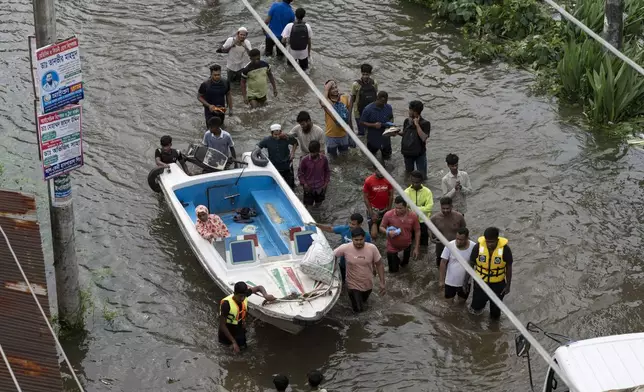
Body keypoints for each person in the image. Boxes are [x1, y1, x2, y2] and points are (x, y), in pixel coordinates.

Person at [333, 228, 386, 313]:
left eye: (361, 240)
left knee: (364, 302)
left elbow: (379, 264)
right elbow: (332, 255)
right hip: (352, 284)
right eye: (356, 240)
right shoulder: (345, 247)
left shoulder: (372, 248)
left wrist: (382, 282)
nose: (358, 242)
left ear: (364, 238)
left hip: (367, 284)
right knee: (359, 311)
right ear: (352, 239)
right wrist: (334, 269)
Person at [309, 213, 372, 283]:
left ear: (360, 225)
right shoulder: (344, 229)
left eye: (353, 224)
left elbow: (369, 252)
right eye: (350, 223)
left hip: (357, 266)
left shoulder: (366, 236)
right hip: (343, 264)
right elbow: (330, 229)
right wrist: (317, 225)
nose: (350, 226)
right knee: (342, 282)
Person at [467, 227, 513, 319]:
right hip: (480, 282)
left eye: (492, 242)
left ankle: (494, 330)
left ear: (497, 239)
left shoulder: (505, 250)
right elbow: (471, 264)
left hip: (498, 284)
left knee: (495, 312)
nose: (489, 244)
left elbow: (509, 267)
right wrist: (467, 281)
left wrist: (508, 285)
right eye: (487, 241)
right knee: (475, 310)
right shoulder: (478, 247)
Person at [219, 282, 277, 352]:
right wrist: (233, 342)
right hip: (228, 329)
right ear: (234, 293)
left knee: (243, 349)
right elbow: (222, 325)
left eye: (244, 296)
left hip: (238, 327)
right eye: (240, 296)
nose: (242, 298)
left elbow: (259, 287)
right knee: (227, 351)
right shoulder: (226, 304)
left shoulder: (245, 294)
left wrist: (266, 296)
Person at [380, 196, 420, 272]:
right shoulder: (388, 215)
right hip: (392, 246)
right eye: (396, 208)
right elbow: (381, 227)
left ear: (406, 206)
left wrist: (416, 247)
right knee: (393, 271)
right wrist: (388, 232)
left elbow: (417, 231)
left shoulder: (413, 216)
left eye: (400, 208)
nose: (397, 210)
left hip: (407, 245)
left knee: (405, 267)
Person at [439, 227, 475, 302]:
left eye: (461, 240)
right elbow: (443, 262)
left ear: (467, 238)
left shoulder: (474, 247)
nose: (458, 241)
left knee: (461, 304)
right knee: (448, 304)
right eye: (457, 238)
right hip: (450, 281)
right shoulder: (450, 245)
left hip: (465, 283)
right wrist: (441, 280)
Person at [430, 197, 466, 268]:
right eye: (443, 208)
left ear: (451, 206)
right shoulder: (435, 218)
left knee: (456, 267)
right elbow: (429, 227)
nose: (445, 210)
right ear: (440, 207)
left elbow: (464, 230)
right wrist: (431, 238)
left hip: (455, 247)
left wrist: (464, 243)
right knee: (440, 266)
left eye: (447, 208)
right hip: (441, 248)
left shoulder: (459, 216)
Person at [257, 124, 297, 188]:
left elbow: (295, 143)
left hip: (287, 165)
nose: (277, 136)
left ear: (281, 132)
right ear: (271, 133)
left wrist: (292, 153)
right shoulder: (267, 140)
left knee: (291, 186)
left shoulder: (286, 138)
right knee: (276, 186)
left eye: (279, 134)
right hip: (275, 167)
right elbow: (258, 146)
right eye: (275, 135)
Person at [398, 100, 431, 177]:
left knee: (422, 176)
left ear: (415, 112)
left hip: (419, 154)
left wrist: (417, 125)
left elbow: (423, 138)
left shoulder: (425, 123)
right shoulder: (407, 121)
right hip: (407, 153)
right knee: (409, 174)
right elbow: (405, 134)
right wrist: (396, 132)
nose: (409, 112)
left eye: (410, 110)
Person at [321, 80, 352, 156]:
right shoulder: (326, 101)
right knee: (332, 158)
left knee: (345, 156)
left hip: (343, 134)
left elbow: (349, 117)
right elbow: (322, 103)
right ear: (328, 90)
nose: (335, 90)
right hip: (331, 135)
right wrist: (326, 89)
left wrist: (351, 132)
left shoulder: (344, 98)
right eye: (332, 88)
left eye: (336, 87)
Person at [360, 91, 394, 160]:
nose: (383, 104)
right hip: (373, 138)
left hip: (386, 139)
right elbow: (362, 122)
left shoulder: (389, 107)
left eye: (385, 102)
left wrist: (392, 128)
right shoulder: (368, 109)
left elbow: (391, 119)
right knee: (372, 158)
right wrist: (373, 125)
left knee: (387, 159)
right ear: (377, 99)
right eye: (381, 102)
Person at [363, 163, 394, 239]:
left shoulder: (388, 179)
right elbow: (365, 198)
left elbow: (391, 195)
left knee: (384, 231)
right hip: (373, 209)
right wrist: (371, 212)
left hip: (385, 208)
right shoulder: (368, 181)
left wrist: (389, 209)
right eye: (379, 171)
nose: (381, 173)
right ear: (374, 170)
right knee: (373, 235)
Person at [403, 170, 433, 246]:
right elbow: (404, 208)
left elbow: (429, 207)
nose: (415, 184)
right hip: (410, 221)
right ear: (410, 180)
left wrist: (414, 209)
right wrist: (422, 208)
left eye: (417, 182)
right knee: (409, 243)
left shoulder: (427, 192)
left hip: (423, 221)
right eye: (413, 182)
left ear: (421, 181)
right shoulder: (406, 192)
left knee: (424, 244)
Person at [297, 141, 330, 208]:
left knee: (319, 205)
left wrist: (326, 183)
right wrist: (304, 184)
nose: (312, 154)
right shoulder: (304, 160)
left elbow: (327, 171)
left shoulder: (324, 159)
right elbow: (300, 173)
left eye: (314, 152)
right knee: (308, 206)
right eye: (311, 152)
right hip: (308, 188)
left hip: (321, 187)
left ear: (318, 151)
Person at [349, 64, 378, 136]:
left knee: (370, 132)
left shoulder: (374, 83)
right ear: (361, 73)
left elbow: (376, 97)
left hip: (370, 111)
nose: (365, 76)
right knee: (361, 132)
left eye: (367, 74)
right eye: (363, 74)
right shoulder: (356, 84)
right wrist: (349, 113)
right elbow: (352, 99)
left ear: (370, 74)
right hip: (358, 112)